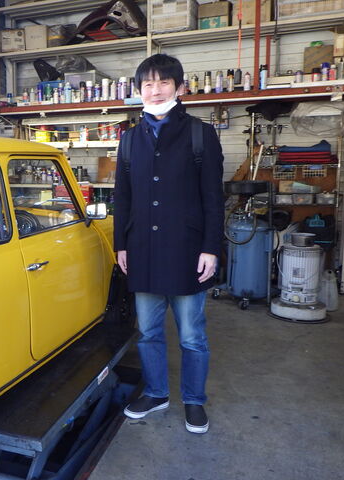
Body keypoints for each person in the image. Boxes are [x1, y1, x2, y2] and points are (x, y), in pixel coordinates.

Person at [113, 54, 224, 434]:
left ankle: (194, 400)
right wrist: (121, 245)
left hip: (187, 251)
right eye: (148, 84)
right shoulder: (129, 140)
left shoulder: (199, 134)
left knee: (192, 336)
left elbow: (213, 198)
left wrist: (211, 248)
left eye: (163, 82)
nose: (155, 90)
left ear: (180, 88)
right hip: (142, 250)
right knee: (148, 333)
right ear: (139, 90)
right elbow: (122, 197)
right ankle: (156, 393)